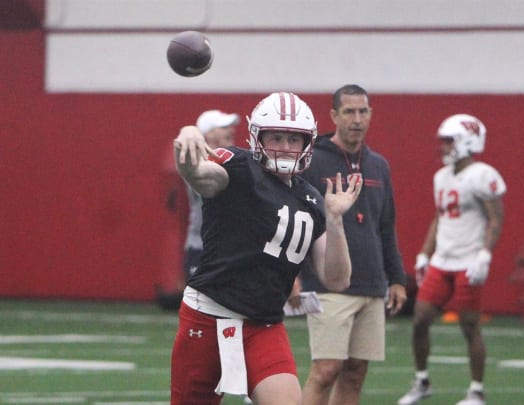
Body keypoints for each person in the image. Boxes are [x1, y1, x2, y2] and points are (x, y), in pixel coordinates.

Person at [169, 92, 363, 405]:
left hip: (263, 324)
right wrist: (188, 138)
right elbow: (202, 176)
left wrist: (336, 220)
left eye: (292, 139)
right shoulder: (241, 167)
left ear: (307, 144)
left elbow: (338, 279)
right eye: (276, 137)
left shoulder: (311, 200)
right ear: (257, 137)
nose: (285, 147)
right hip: (208, 315)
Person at [299, 84, 407, 405]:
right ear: (334, 115)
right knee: (326, 370)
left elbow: (386, 227)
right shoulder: (313, 161)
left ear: (371, 114)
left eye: (363, 111)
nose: (356, 119)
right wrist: (293, 274)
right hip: (326, 284)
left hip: (372, 284)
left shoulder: (379, 166)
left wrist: (397, 278)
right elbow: (300, 220)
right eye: (349, 112)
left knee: (356, 372)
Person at [397, 114, 505, 405]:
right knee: (420, 319)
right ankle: (421, 381)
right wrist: (423, 254)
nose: (443, 147)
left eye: (449, 141)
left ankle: (476, 391)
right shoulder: (441, 176)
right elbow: (439, 217)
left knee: (470, 325)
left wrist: (484, 254)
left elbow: (496, 218)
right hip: (442, 260)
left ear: (467, 141)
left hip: (468, 260)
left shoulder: (482, 175)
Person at [155, 109, 239, 311]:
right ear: (208, 134)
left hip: (228, 248)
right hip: (202, 247)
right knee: (205, 311)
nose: (230, 130)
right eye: (223, 126)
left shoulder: (233, 160)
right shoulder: (197, 162)